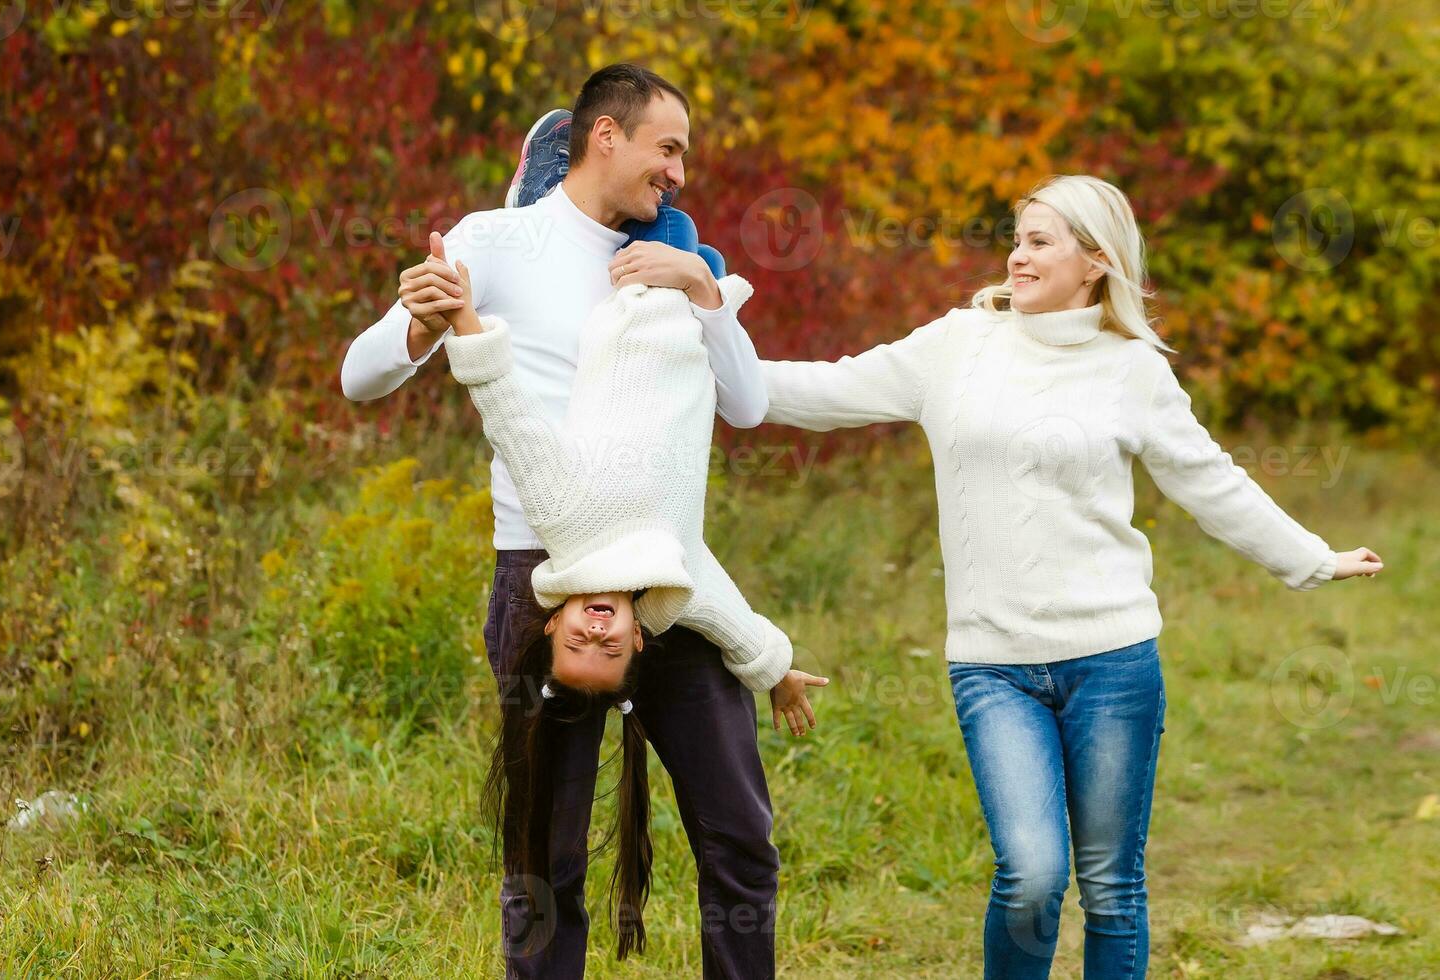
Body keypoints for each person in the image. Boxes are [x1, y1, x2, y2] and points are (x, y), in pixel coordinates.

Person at [756, 173, 1386, 979]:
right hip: (993, 663)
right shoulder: (958, 344)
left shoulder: (1133, 369)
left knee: (1112, 888)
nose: (1018, 257)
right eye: (1017, 240)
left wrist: (1311, 558)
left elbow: (1210, 480)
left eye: (1039, 241)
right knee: (1032, 873)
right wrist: (703, 352)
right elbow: (824, 387)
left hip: (1113, 659)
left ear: (1095, 260)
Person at [341, 64, 790, 979]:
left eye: (686, 155)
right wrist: (424, 325)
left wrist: (704, 288)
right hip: (538, 574)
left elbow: (745, 403)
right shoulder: (498, 241)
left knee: (740, 833)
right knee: (546, 856)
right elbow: (359, 376)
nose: (679, 173)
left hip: (665, 577)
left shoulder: (677, 257)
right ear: (604, 137)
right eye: (669, 148)